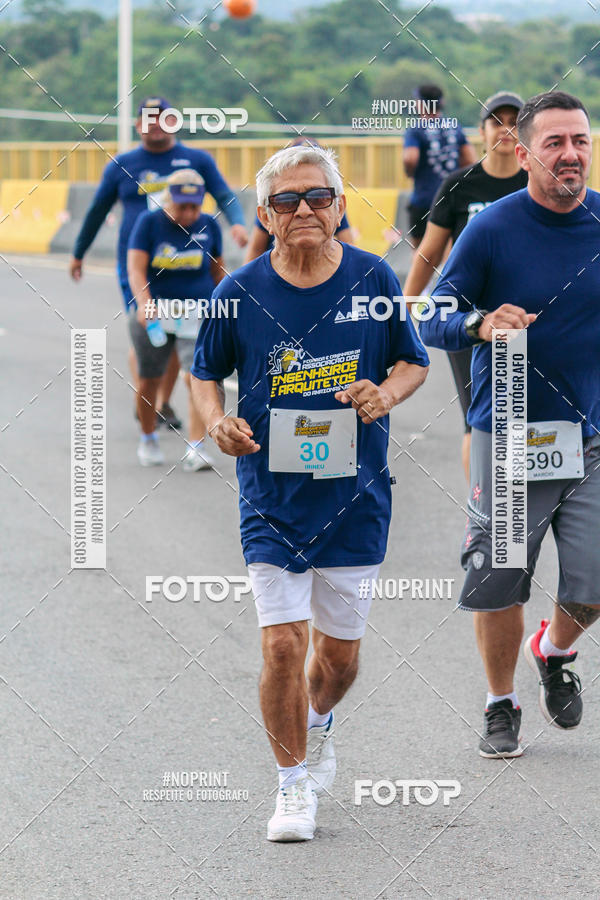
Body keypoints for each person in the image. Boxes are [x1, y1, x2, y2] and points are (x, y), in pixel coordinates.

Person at [191, 145, 429, 840]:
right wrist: (216, 423)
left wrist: (383, 394)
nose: (304, 210)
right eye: (287, 200)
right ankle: (292, 786)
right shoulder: (237, 293)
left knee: (340, 659)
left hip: (356, 496)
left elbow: (413, 361)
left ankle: (318, 722)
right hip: (271, 496)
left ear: (340, 205)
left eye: (317, 197)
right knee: (283, 649)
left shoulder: (373, 277)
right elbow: (206, 374)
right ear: (264, 214)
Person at [420, 91, 600, 759]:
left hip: (592, 436)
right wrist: (479, 323)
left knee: (595, 581)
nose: (570, 154)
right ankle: (502, 702)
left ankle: (553, 651)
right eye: (554, 143)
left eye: (580, 140)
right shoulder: (492, 227)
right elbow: (429, 314)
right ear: (523, 154)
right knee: (501, 577)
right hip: (512, 434)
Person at [70, 96, 247, 429]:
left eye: (163, 118)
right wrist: (79, 252)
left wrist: (236, 222)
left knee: (175, 336)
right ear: (138, 125)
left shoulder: (197, 160)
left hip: (187, 264)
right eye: (148, 119)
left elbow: (225, 195)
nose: (155, 125)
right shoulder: (121, 165)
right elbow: (97, 213)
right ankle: (149, 397)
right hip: (139, 266)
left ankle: (160, 403)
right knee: (151, 331)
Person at [404, 92, 527, 477]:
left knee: (529, 416)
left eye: (514, 122)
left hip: (527, 314)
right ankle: (481, 509)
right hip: (469, 316)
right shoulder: (459, 185)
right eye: (497, 122)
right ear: (482, 131)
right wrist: (406, 305)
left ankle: (527, 502)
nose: (505, 130)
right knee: (478, 417)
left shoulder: (538, 180)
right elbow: (429, 252)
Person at [127, 169, 225, 468]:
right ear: (169, 201)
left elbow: (218, 271)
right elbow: (136, 269)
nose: (189, 213)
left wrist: (226, 306)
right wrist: (145, 304)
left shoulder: (209, 225)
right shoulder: (149, 223)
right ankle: (147, 438)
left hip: (196, 313)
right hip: (156, 313)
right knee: (150, 380)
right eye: (182, 206)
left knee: (197, 375)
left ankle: (195, 448)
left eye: (195, 206)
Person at [403, 84, 477, 249]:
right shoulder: (454, 126)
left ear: (421, 104)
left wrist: (410, 172)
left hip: (423, 200)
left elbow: (410, 158)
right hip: (451, 199)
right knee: (450, 252)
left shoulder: (416, 129)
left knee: (421, 253)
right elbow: (471, 159)